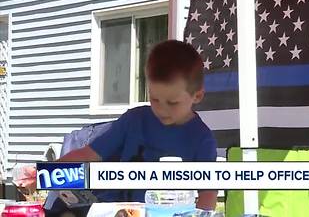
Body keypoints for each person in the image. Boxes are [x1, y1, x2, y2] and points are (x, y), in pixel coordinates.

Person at [22, 40, 218, 210]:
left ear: (197, 96)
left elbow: (208, 194)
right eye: (155, 99)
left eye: (173, 103)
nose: (162, 110)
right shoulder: (134, 119)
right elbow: (89, 154)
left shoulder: (201, 139)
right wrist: (43, 172)